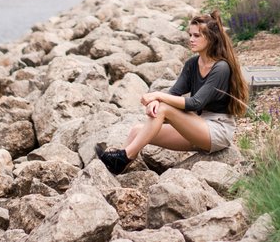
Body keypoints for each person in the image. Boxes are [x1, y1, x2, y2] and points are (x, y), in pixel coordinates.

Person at [97, 10, 248, 175]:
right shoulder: (192, 64)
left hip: (217, 131)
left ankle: (124, 156)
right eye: (190, 34)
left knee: (163, 108)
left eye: (197, 35)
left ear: (211, 38)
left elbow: (196, 103)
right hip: (197, 126)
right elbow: (175, 92)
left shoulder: (221, 68)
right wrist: (155, 101)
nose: (191, 39)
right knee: (136, 131)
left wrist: (157, 96)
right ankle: (115, 170)